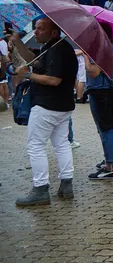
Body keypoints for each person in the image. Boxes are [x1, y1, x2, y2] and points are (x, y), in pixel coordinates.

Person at [11, 18, 78, 206]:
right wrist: (17, 43)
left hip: (47, 106)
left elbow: (53, 79)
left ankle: (40, 188)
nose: (36, 32)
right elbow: (37, 63)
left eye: (41, 29)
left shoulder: (58, 48)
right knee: (62, 144)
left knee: (35, 146)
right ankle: (66, 184)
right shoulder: (52, 47)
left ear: (54, 32)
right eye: (36, 28)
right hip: (62, 106)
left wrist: (28, 75)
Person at [84, 23, 113, 180]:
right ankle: (109, 160)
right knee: (104, 129)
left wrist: (84, 54)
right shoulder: (111, 47)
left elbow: (93, 72)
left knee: (105, 130)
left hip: (101, 92)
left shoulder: (101, 49)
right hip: (106, 92)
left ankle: (110, 166)